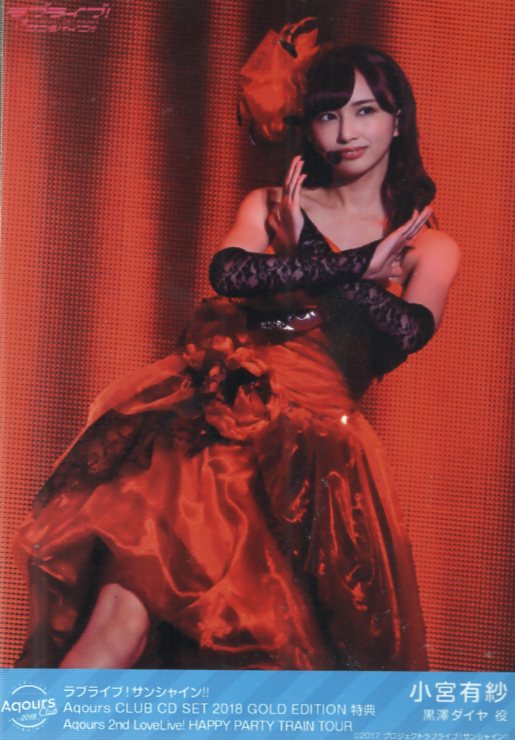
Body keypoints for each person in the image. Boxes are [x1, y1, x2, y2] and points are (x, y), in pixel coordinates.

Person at [14, 24, 459, 671]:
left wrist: (311, 253)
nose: (346, 131)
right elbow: (229, 273)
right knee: (118, 626)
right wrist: (351, 264)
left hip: (317, 475)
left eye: (365, 111)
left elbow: (405, 333)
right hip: (212, 445)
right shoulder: (272, 204)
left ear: (398, 120)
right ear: (308, 125)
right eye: (328, 114)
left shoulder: (428, 245)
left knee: (275, 670)